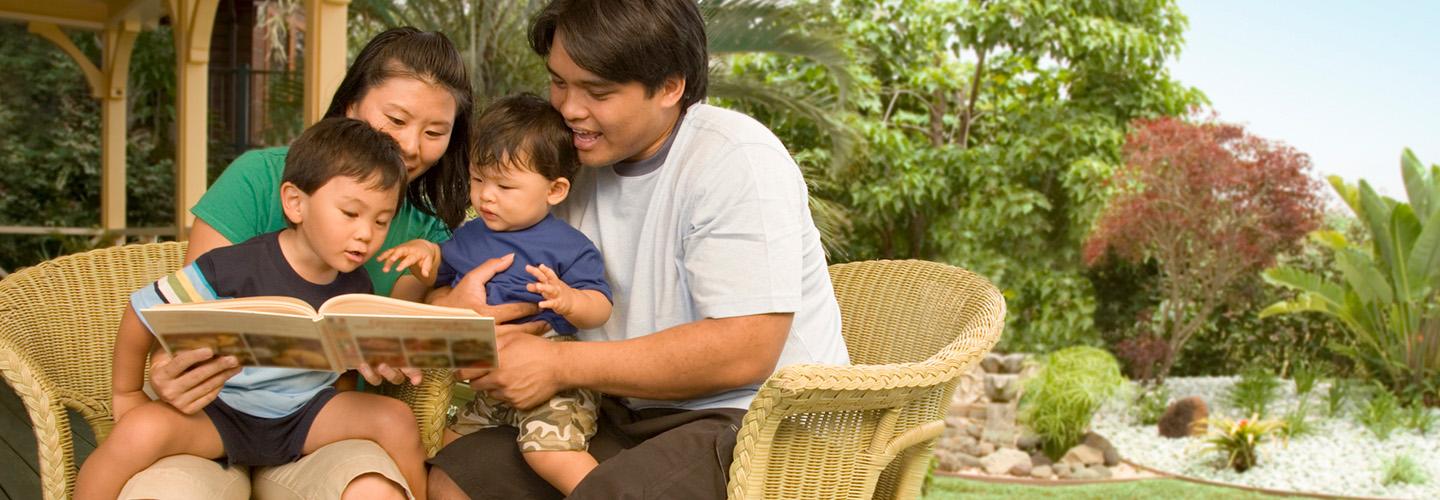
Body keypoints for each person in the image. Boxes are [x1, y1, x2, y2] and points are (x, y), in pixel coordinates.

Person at [426, 1, 850, 498]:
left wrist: (555, 364)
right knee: (459, 477)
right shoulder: (570, 160)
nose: (568, 109)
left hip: (756, 419)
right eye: (559, 82)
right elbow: (485, 279)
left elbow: (747, 350)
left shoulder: (736, 159)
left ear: (671, 87)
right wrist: (453, 312)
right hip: (620, 409)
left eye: (597, 92)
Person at [116, 28, 539, 499]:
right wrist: (159, 376)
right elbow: (188, 324)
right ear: (350, 106)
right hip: (210, 415)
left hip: (320, 427)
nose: (412, 146)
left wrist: (435, 325)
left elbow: (399, 326)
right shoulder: (259, 179)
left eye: (435, 132)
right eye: (395, 119)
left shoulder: (427, 233)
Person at [76, 118, 428, 500]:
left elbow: (344, 371)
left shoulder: (356, 287)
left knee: (396, 420)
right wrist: (126, 392)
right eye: (350, 213)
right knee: (138, 431)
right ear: (296, 203)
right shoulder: (234, 264)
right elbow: (142, 310)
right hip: (218, 412)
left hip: (304, 417)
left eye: (381, 221)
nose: (366, 234)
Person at [380, 93, 612, 495]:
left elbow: (601, 307)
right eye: (478, 179)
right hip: (490, 381)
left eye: (505, 185)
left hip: (555, 380)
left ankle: (609, 494)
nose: (486, 195)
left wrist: (568, 300)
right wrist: (426, 252)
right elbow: (438, 277)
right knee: (448, 450)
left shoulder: (567, 246)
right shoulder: (471, 236)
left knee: (549, 453)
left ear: (555, 191)